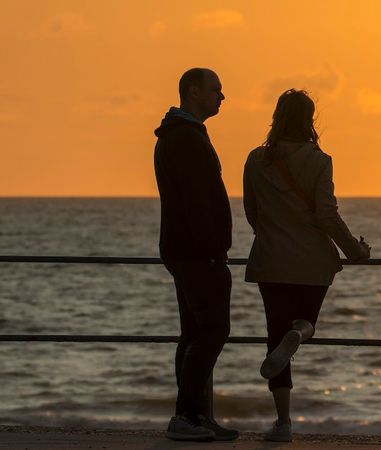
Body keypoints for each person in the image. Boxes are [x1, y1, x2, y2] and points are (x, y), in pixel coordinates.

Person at [243, 89, 371, 442]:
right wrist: (354, 251)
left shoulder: (256, 160)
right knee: (305, 323)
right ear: (310, 120)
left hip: (271, 259)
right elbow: (327, 214)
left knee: (274, 338)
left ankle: (283, 423)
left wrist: (272, 234)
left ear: (276, 117)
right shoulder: (319, 160)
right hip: (312, 260)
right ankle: (299, 335)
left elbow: (251, 212)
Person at [153, 67, 239, 441]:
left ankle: (193, 414)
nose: (222, 96)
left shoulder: (181, 135)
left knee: (193, 332)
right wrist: (211, 250)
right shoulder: (185, 139)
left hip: (184, 249)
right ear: (193, 92)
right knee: (213, 329)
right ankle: (186, 415)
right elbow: (195, 202)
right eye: (215, 90)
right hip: (196, 252)